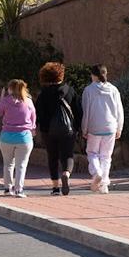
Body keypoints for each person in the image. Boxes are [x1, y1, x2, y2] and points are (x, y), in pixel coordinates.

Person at [35, 63, 83, 196]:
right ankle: (66, 174)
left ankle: (55, 188)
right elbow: (78, 110)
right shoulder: (70, 90)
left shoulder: (43, 94)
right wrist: (76, 127)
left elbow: (39, 113)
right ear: (61, 75)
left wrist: (42, 128)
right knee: (67, 155)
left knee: (52, 156)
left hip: (48, 131)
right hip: (68, 130)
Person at [81, 64, 124, 194]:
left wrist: (84, 128)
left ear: (93, 75)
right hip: (111, 127)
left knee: (92, 153)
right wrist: (119, 127)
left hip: (94, 127)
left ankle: (96, 173)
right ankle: (104, 184)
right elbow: (119, 110)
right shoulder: (114, 89)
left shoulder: (88, 90)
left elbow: (86, 111)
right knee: (106, 156)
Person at [0, 79, 37, 198]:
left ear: (10, 89)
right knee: (21, 165)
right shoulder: (28, 101)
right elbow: (33, 118)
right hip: (24, 137)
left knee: (8, 164)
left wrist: (1, 97)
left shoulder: (5, 101)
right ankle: (19, 190)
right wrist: (32, 129)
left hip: (6, 137)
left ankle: (7, 189)